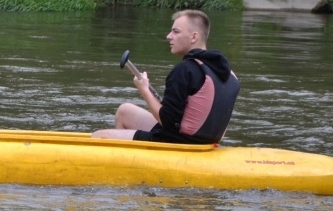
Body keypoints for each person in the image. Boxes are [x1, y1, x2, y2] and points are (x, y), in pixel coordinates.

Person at [92, 9, 239, 144]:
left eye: (176, 32)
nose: (169, 36)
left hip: (180, 143)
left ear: (194, 37)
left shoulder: (185, 70)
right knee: (125, 111)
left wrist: (144, 90)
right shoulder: (230, 75)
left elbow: (168, 123)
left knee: (98, 137)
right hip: (205, 140)